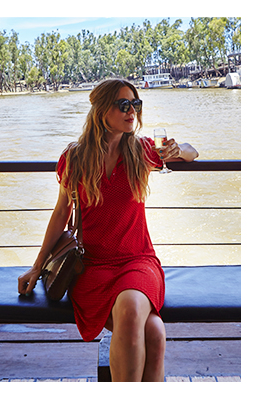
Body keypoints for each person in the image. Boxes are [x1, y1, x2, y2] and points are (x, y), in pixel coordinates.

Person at [17, 79, 197, 382]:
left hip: (138, 260)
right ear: (102, 112)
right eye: (123, 105)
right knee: (153, 331)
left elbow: (192, 151)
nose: (132, 111)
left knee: (132, 310)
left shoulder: (141, 151)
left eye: (135, 104)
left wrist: (180, 150)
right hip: (92, 266)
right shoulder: (75, 158)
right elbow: (61, 213)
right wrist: (37, 266)